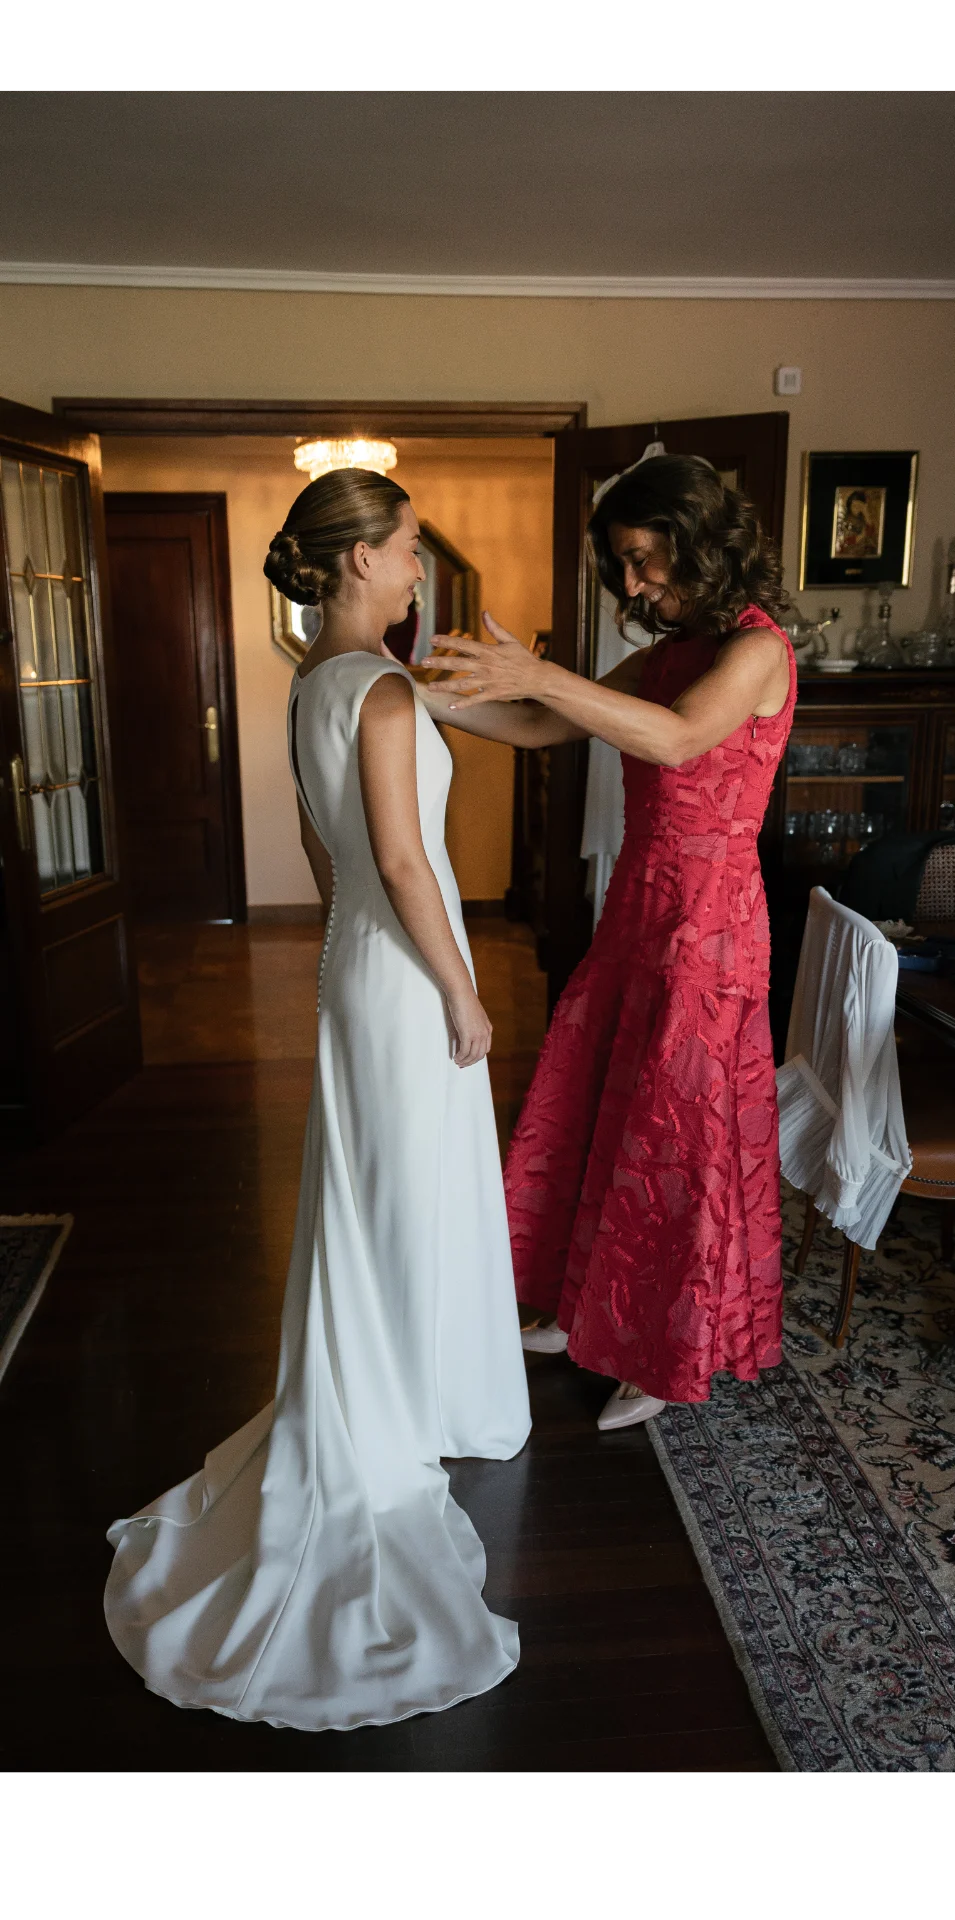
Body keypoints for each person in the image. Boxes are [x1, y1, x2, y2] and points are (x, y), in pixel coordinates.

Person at [104, 469, 530, 1730]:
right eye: (405, 548)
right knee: (407, 1188)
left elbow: (324, 851)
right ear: (356, 562)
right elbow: (405, 858)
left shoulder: (310, 686)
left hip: (355, 963)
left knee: (374, 1186)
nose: (415, 567)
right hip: (404, 972)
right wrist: (460, 987)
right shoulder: (386, 690)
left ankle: (409, 1384)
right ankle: (402, 1404)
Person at [421, 454, 794, 1431]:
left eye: (641, 559)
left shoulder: (756, 652)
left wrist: (538, 666)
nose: (631, 586)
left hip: (709, 928)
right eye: (619, 565)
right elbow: (545, 727)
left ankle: (662, 1359)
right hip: (638, 907)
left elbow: (675, 740)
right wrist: (413, 693)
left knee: (675, 1139)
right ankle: (587, 1309)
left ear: (695, 539)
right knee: (598, 1107)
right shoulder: (673, 649)